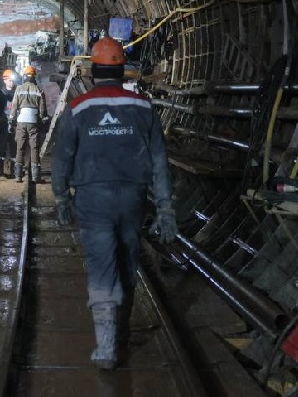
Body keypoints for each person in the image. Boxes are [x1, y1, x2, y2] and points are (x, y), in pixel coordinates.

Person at [50, 36, 177, 370]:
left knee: (102, 265)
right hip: (133, 198)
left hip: (93, 200)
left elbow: (62, 159)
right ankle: (121, 335)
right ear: (123, 71)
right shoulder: (144, 107)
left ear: (92, 72)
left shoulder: (78, 108)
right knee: (128, 262)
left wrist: (61, 198)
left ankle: (107, 348)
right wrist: (165, 208)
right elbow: (160, 161)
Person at [11, 65, 49, 183]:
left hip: (21, 121)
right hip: (33, 121)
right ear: (34, 77)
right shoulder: (38, 89)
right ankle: (36, 177)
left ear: (24, 76)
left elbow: (14, 106)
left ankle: (18, 176)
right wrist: (43, 119)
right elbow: (42, 108)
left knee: (20, 147)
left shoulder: (19, 89)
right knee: (34, 148)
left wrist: (11, 119)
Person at [0, 69, 18, 178]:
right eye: (9, 80)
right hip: (3, 124)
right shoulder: (0, 94)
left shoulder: (17, 93)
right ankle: (0, 172)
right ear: (5, 80)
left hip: (15, 124)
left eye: (12, 80)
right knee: (1, 148)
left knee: (14, 148)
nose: (12, 82)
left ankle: (13, 172)